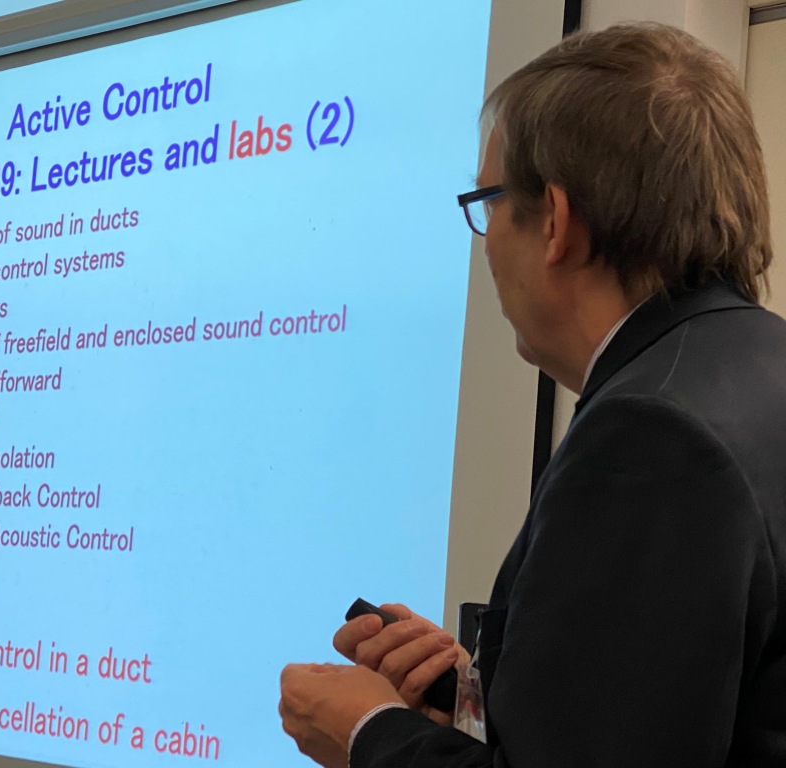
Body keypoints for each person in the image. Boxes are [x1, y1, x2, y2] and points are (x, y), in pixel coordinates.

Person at [279, 22, 786, 768]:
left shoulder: (650, 437)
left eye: (487, 201)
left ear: (554, 221)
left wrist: (369, 734)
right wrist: (483, 693)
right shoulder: (757, 367)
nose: (484, 240)